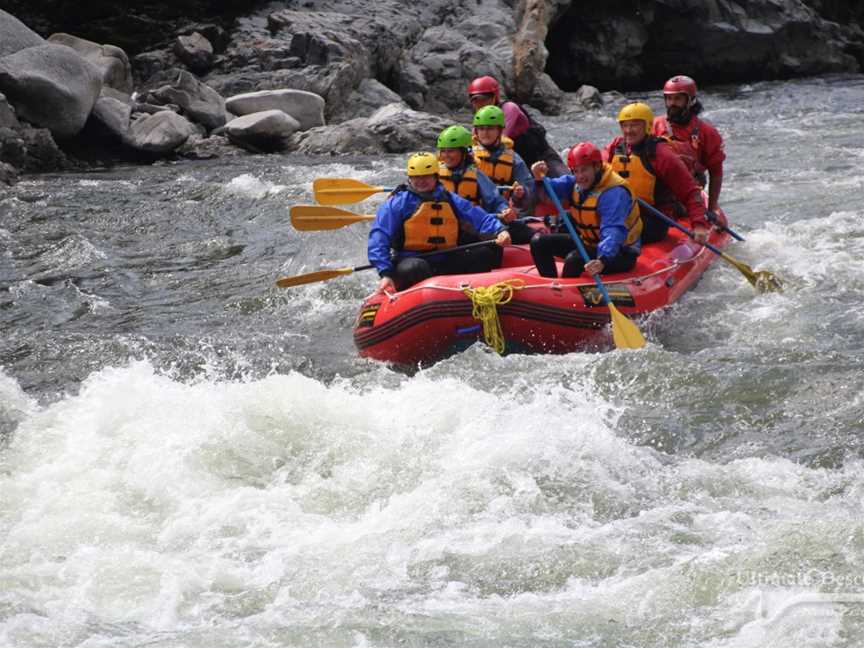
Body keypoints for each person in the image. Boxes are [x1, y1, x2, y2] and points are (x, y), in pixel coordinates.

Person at [369, 152, 511, 294]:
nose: (421, 181)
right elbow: (379, 237)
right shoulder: (397, 203)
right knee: (417, 267)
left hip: (445, 258)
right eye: (416, 177)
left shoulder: (449, 198)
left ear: (436, 176)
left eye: (426, 176)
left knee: (482, 254)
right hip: (410, 261)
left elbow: (479, 217)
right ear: (409, 178)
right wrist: (385, 273)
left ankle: (473, 297)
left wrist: (500, 230)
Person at [529, 142, 642, 279]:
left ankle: (565, 296)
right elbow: (549, 188)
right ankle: (550, 283)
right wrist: (539, 178)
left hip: (619, 252)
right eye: (576, 171)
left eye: (584, 170)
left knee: (574, 259)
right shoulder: (575, 183)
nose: (580, 176)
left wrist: (602, 260)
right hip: (589, 243)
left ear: (597, 167)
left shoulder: (614, 193)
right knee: (538, 241)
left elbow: (613, 231)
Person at [604, 102, 710, 244]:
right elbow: (598, 168)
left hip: (653, 220)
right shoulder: (616, 146)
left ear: (647, 125)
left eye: (635, 125)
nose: (628, 130)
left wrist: (699, 225)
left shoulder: (661, 154)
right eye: (624, 125)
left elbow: (690, 191)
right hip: (623, 214)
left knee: (612, 231)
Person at [468, 75, 567, 177]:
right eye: (475, 100)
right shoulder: (479, 122)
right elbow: (473, 146)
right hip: (517, 164)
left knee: (567, 181)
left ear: (494, 97)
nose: (480, 104)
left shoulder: (509, 108)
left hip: (541, 156)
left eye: (483, 99)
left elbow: (500, 140)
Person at [652, 75, 726, 212]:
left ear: (690, 101)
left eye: (678, 99)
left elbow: (716, 172)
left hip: (686, 191)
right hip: (656, 189)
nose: (672, 103)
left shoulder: (707, 132)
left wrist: (712, 208)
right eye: (669, 99)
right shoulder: (654, 125)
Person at [471, 105, 537, 244]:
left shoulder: (513, 158)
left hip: (501, 216)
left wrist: (521, 194)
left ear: (500, 130)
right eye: (481, 129)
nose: (485, 133)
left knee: (536, 238)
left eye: (490, 128)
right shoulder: (468, 158)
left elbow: (528, 189)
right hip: (475, 218)